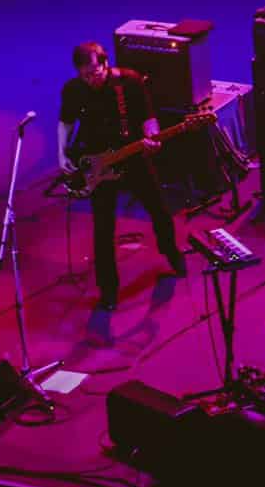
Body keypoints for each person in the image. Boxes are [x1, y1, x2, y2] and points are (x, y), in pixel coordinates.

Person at [57, 41, 188, 310]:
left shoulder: (129, 82)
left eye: (95, 73)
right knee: (103, 229)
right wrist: (61, 154)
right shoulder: (74, 89)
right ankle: (108, 291)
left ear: (106, 64)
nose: (91, 80)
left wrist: (152, 136)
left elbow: (148, 117)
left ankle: (172, 254)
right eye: (85, 75)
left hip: (133, 158)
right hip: (99, 164)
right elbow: (66, 122)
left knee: (159, 210)